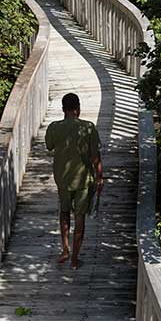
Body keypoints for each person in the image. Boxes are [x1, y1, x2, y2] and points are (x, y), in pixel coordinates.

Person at [44, 92, 103, 269]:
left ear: (63, 109)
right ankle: (75, 259)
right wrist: (100, 177)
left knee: (64, 212)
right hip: (84, 179)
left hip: (62, 178)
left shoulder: (54, 127)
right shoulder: (89, 128)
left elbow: (49, 145)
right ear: (78, 109)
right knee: (80, 217)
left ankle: (65, 249)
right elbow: (95, 156)